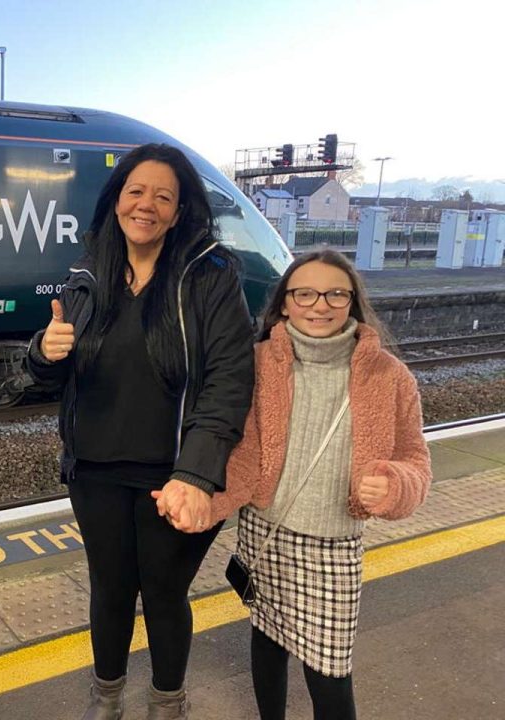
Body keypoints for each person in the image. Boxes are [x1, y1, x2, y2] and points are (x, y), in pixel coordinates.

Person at [26, 143, 255, 719]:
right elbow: (49, 368)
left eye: (162, 196)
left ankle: (166, 703)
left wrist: (198, 475)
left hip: (174, 475)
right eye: (135, 191)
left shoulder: (210, 276)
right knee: (108, 589)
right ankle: (106, 699)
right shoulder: (86, 275)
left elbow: (230, 381)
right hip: (96, 468)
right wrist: (41, 352)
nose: (145, 205)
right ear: (117, 201)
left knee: (162, 592)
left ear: (179, 213)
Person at [205, 250, 432, 720]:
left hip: (334, 546)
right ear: (285, 303)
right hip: (265, 532)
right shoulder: (257, 363)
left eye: (335, 294)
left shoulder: (389, 376)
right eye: (304, 293)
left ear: (352, 302)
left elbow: (415, 460)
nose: (320, 304)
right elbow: (235, 447)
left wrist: (394, 486)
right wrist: (201, 501)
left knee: (329, 673)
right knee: (266, 636)